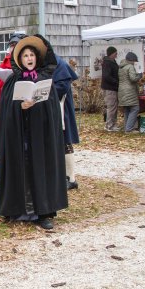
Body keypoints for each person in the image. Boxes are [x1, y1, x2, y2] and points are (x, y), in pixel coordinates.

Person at [0, 35, 67, 230]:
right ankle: (16, 208)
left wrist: (36, 107)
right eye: (25, 55)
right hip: (19, 135)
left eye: (32, 55)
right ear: (20, 59)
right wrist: (21, 108)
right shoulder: (12, 81)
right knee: (20, 166)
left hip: (40, 136)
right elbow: (6, 111)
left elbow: (52, 111)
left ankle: (43, 212)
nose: (29, 58)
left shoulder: (45, 80)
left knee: (40, 168)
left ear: (36, 58)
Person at [52, 55, 80, 189]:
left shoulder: (57, 63)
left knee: (65, 140)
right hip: (52, 107)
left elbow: (62, 86)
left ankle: (71, 177)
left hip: (62, 107)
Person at [118, 52, 141, 133]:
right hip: (130, 91)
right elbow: (133, 78)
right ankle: (129, 129)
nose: (135, 62)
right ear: (132, 60)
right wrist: (139, 75)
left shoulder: (121, 67)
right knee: (135, 108)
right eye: (135, 61)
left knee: (127, 109)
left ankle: (127, 128)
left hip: (121, 91)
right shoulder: (130, 66)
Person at [101, 46, 120, 131]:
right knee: (111, 107)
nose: (116, 55)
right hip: (110, 88)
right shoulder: (107, 63)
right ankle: (109, 125)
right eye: (115, 53)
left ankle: (113, 124)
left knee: (114, 107)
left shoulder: (112, 62)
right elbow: (106, 76)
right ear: (111, 54)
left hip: (113, 88)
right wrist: (116, 81)